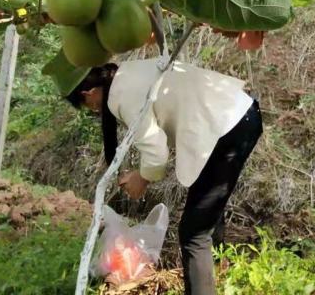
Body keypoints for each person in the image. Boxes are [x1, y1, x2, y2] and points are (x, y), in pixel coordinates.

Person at [44, 54, 263, 295]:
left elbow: (156, 152)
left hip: (226, 127)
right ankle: (221, 277)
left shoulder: (121, 94)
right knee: (205, 213)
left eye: (88, 105)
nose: (93, 109)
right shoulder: (127, 73)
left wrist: (141, 177)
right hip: (240, 114)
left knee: (193, 233)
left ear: (87, 93)